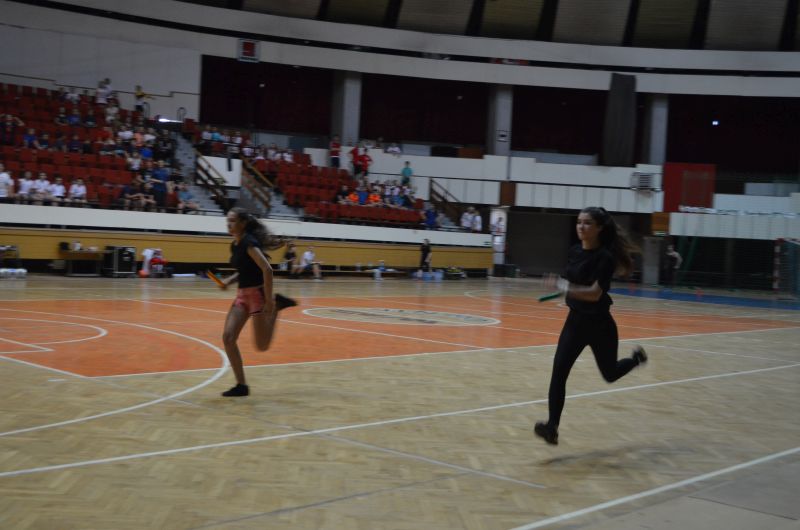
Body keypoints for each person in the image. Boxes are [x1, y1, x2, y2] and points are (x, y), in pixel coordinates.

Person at [534, 207, 647, 445]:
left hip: (600, 325)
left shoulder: (605, 258)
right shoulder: (575, 251)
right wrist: (562, 286)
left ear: (599, 228)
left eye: (587, 223)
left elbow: (595, 294)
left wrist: (564, 286)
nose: (581, 227)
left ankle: (635, 360)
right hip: (575, 322)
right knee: (558, 373)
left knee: (610, 374)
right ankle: (552, 427)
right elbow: (573, 284)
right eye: (579, 222)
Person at [216, 208, 297, 397]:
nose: (229, 225)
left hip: (257, 296)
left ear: (243, 223)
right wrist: (229, 281)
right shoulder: (235, 245)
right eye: (227, 221)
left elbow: (267, 270)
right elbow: (245, 270)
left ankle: (277, 306)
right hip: (242, 296)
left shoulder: (249, 243)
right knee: (228, 337)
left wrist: (268, 301)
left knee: (262, 346)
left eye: (232, 221)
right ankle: (241, 385)